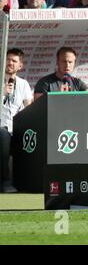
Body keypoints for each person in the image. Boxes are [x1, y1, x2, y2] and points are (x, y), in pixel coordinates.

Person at [1, 49, 33, 193]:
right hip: (1, 127)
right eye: (7, 59)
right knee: (3, 136)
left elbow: (29, 108)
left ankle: (28, 182)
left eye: (14, 61)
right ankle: (5, 182)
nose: (10, 63)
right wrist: (3, 93)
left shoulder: (23, 84)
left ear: (20, 65)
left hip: (16, 127)